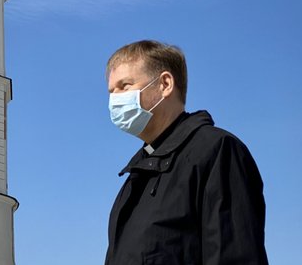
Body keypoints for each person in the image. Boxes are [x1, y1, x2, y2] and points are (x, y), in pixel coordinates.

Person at [105, 40, 268, 265]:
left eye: (125, 86)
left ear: (165, 84)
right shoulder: (134, 179)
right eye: (111, 91)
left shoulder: (215, 151)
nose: (115, 99)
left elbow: (234, 255)